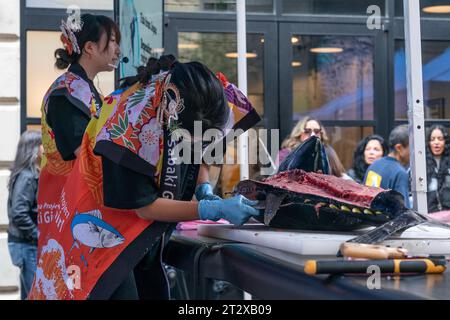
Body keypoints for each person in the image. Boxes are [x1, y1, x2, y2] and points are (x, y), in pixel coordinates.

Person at [29, 52, 261, 300]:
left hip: (145, 239)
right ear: (170, 113)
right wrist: (207, 210)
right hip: (101, 230)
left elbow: (198, 152)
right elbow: (145, 207)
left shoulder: (204, 94)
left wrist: (203, 187)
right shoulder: (127, 124)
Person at [7, 131, 42, 300]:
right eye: (42, 144)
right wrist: (38, 235)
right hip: (27, 244)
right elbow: (19, 213)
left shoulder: (27, 174)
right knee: (34, 294)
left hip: (26, 243)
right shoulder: (27, 177)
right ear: (34, 148)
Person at [364, 125, 411, 208]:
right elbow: (404, 212)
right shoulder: (400, 173)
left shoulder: (374, 165)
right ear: (399, 148)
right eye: (411, 148)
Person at [426, 125, 450, 213]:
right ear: (428, 142)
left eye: (440, 139)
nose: (436, 142)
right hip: (428, 215)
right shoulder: (421, 163)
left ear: (445, 141)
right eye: (432, 139)